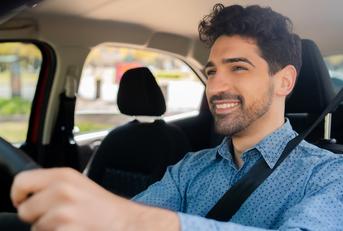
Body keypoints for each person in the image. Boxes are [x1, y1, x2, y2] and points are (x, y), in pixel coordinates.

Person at [10, 3, 343, 231]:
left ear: (285, 80)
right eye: (211, 72)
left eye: (238, 68)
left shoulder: (329, 175)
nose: (216, 86)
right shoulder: (189, 169)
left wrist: (130, 219)